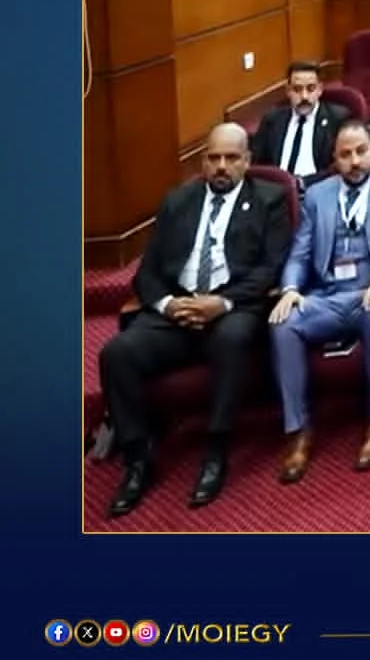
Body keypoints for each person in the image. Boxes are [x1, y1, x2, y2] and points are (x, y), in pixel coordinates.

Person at [98, 123, 293, 516]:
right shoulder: (178, 201)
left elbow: (270, 268)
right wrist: (169, 305)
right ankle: (137, 459)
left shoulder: (270, 199)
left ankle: (216, 450)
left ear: (247, 161)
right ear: (203, 162)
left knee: (231, 340)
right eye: (214, 158)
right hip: (177, 309)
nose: (221, 166)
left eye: (231, 158)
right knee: (116, 353)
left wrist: (220, 303)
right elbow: (147, 271)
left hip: (232, 308)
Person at [269, 120, 370, 481]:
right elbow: (300, 254)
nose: (354, 161)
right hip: (326, 295)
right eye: (346, 154)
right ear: (334, 159)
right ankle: (298, 431)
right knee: (283, 322)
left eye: (361, 152)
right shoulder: (317, 196)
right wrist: (290, 289)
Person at [251, 61, 350, 189]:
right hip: (277, 192)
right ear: (288, 91)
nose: (304, 96)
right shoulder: (272, 120)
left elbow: (339, 166)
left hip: (317, 189)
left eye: (310, 89)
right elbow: (257, 162)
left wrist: (302, 183)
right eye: (297, 89)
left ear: (320, 89)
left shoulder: (337, 119)